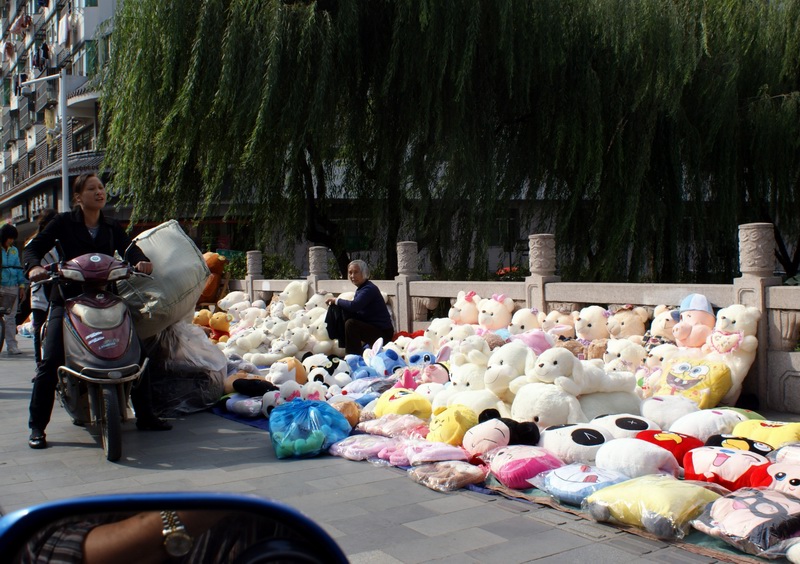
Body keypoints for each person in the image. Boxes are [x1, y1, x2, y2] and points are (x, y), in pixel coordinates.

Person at [24, 173, 170, 450]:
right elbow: (34, 249)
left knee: (139, 353)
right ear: (79, 197)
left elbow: (130, 250)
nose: (99, 192)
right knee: (51, 360)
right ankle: (37, 427)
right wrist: (33, 267)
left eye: (101, 187)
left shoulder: (111, 226)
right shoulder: (63, 223)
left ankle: (146, 415)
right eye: (92, 189)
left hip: (106, 298)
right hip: (67, 299)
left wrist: (141, 261)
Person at [325, 260, 394, 354]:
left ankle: (354, 355)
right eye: (350, 273)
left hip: (383, 334)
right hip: (373, 329)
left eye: (356, 272)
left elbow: (354, 306)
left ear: (364, 273)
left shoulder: (369, 289)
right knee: (343, 311)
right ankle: (347, 347)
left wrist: (336, 300)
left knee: (351, 324)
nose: (352, 276)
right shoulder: (362, 288)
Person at [25, 208, 58, 365]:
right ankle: (40, 365)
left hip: (58, 289)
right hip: (40, 290)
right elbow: (29, 263)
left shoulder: (60, 241)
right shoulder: (34, 243)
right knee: (39, 329)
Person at [0, 223, 27, 355]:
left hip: (13, 287)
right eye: (9, 238)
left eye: (12, 238)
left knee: (11, 318)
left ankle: (12, 346)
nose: (11, 240)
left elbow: (19, 269)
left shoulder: (14, 251)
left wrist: (21, 286)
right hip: (1, 286)